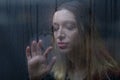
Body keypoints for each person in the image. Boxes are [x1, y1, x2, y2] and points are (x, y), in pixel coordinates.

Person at [26, 1, 120, 80]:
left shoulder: (109, 76)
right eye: (55, 28)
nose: (60, 35)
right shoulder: (55, 75)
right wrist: (34, 78)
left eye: (69, 27)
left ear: (86, 31)